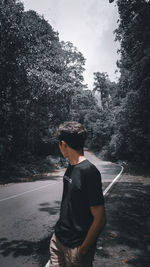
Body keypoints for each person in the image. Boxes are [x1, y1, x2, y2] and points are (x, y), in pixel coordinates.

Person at [49, 121, 106, 267]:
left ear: (63, 144)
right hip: (58, 241)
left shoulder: (89, 172)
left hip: (76, 247)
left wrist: (82, 251)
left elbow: (100, 219)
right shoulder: (71, 166)